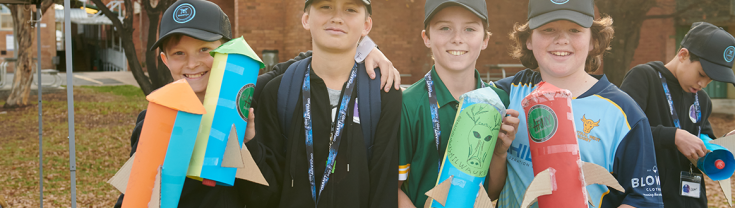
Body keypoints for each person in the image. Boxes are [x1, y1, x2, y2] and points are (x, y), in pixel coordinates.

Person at [113, 0, 401, 207]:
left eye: (204, 50)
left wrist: (367, 48)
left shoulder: (248, 101)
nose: (193, 63)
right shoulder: (156, 119)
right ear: (164, 60)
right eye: (178, 53)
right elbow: (134, 196)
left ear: (226, 52)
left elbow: (313, 60)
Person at [493, 0, 664, 207]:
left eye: (575, 30)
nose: (562, 40)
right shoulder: (507, 94)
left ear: (593, 40)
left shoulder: (623, 113)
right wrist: (499, 152)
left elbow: (644, 199)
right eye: (548, 29)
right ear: (529, 39)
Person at [253, 0, 401, 207]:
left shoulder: (383, 93)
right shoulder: (279, 92)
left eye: (350, 9)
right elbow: (265, 193)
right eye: (325, 7)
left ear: (366, 26)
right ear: (306, 19)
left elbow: (383, 190)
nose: (337, 17)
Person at [397, 0, 520, 207]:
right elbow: (392, 187)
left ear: (485, 39)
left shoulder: (501, 102)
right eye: (445, 28)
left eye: (469, 29)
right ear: (426, 37)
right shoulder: (407, 104)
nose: (457, 39)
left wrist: (499, 153)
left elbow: (493, 190)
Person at [619, 22, 735, 208]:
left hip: (692, 201)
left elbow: (703, 146)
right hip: (647, 199)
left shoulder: (703, 100)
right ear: (683, 54)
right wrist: (673, 136)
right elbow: (622, 133)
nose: (703, 84)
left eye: (710, 80)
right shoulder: (643, 77)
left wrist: (722, 146)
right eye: (701, 74)